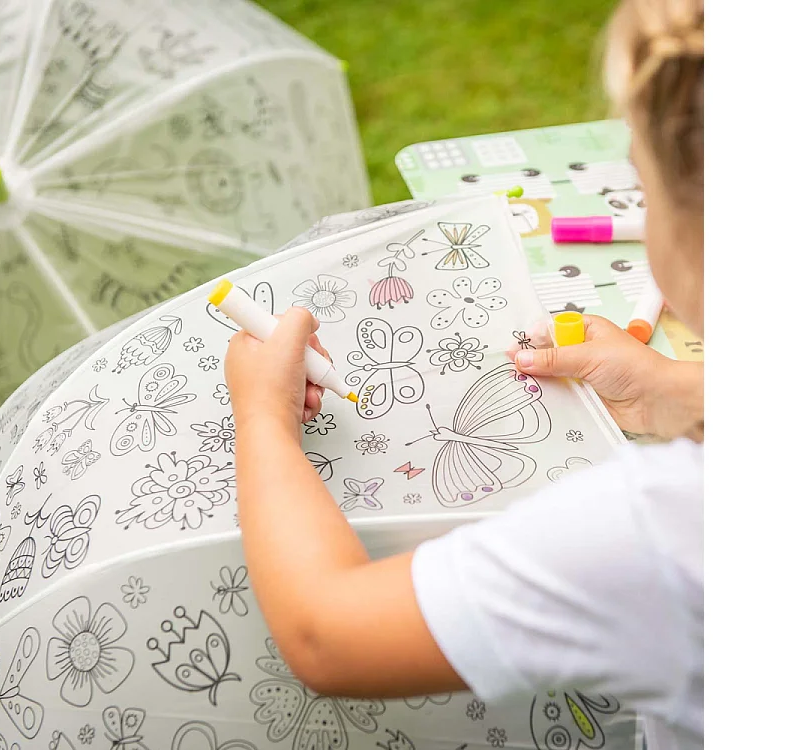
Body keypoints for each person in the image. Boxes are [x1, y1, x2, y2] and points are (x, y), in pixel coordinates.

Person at [223, 0, 704, 748]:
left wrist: (261, 419)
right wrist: (675, 393)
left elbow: (328, 633)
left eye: (642, 188)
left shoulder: (659, 535)